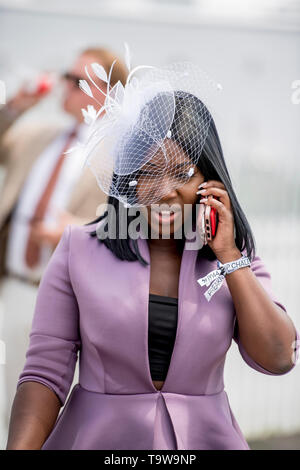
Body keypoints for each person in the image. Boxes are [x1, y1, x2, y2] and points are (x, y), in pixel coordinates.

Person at [5, 60, 299, 450]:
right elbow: (44, 374)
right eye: (147, 171)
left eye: (181, 173)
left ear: (209, 180)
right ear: (129, 177)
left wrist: (229, 256)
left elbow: (278, 358)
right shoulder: (79, 248)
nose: (163, 190)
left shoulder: (233, 259)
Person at [0, 46, 128, 446]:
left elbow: (148, 219)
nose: (64, 86)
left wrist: (81, 230)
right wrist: (15, 106)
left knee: (41, 418)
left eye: (77, 81)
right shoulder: (42, 135)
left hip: (64, 303)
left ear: (106, 92)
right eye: (65, 76)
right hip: (12, 287)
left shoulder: (126, 151)